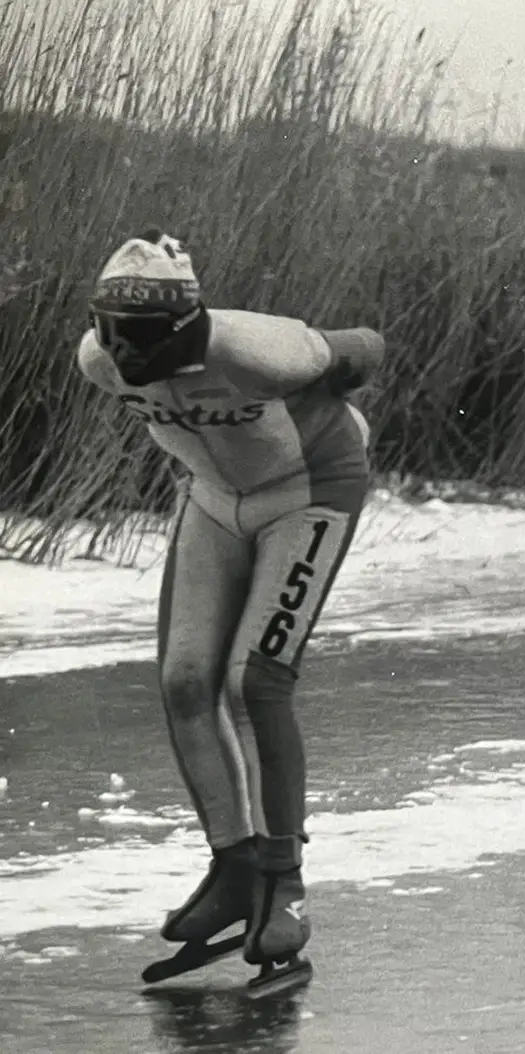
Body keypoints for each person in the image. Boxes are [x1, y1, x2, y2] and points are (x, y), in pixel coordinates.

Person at [75, 230, 383, 978]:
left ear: (189, 324)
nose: (128, 351)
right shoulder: (96, 360)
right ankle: (233, 864)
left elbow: (368, 348)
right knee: (184, 680)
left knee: (256, 681)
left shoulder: (258, 350)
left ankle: (285, 880)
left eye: (146, 336)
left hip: (308, 488)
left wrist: (329, 379)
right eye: (116, 334)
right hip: (213, 500)